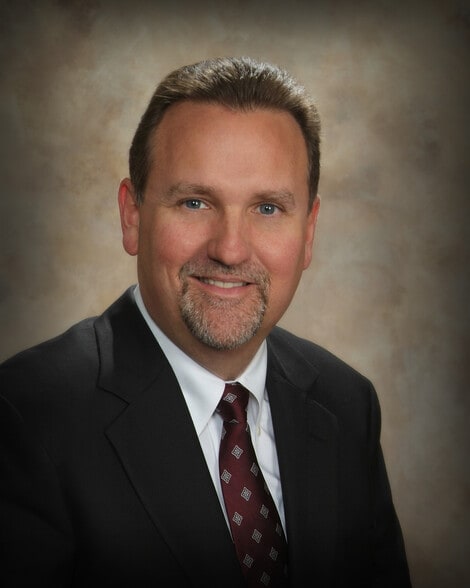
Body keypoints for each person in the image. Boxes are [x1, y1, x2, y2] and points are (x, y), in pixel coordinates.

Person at [0, 57, 411, 587]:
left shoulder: (346, 405)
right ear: (132, 215)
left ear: (308, 232)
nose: (230, 249)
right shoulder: (27, 415)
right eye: (195, 202)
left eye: (267, 208)